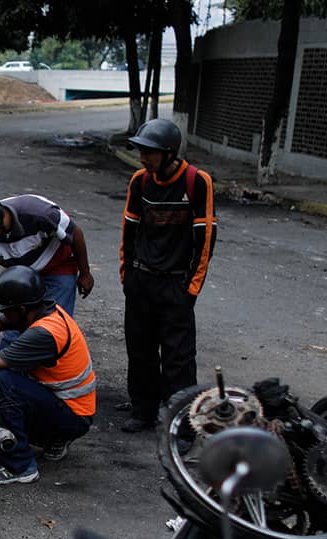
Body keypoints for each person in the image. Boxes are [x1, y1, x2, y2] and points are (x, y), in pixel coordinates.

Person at [118, 118, 217, 433]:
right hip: (141, 281)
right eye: (141, 152)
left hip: (175, 284)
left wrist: (191, 289)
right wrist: (127, 276)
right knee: (140, 351)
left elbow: (205, 241)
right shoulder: (140, 181)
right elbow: (129, 232)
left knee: (179, 361)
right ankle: (143, 411)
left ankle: (182, 425)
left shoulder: (197, 181)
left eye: (150, 153)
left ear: (170, 153)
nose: (143, 158)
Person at [0, 266, 97, 485]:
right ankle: (55, 438)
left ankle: (19, 465)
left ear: (22, 308)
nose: (4, 314)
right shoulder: (41, 311)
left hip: (74, 416)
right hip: (70, 407)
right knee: (5, 381)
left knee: (3, 382)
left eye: (7, 310)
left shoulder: (44, 333)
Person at [0, 192, 94, 330]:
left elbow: (76, 233)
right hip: (21, 277)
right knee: (15, 340)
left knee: (54, 328)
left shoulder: (39, 213)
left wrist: (85, 273)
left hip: (57, 266)